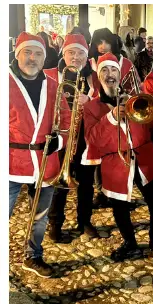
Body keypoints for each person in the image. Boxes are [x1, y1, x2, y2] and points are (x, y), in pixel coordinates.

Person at [86, 54, 153, 263]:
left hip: (146, 158)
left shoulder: (136, 97)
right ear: (98, 76)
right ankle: (129, 242)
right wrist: (111, 117)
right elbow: (93, 139)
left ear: (120, 74)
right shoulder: (92, 107)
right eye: (104, 70)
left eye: (113, 70)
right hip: (116, 163)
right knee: (120, 208)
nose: (109, 74)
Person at [7, 32, 68, 277]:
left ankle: (33, 256)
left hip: (45, 161)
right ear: (17, 54)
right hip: (12, 163)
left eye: (38, 54)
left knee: (40, 216)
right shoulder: (5, 81)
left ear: (44, 58)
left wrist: (59, 141)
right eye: (28, 52)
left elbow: (65, 119)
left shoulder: (53, 85)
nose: (33, 58)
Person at [47, 33, 102, 242]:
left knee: (87, 184)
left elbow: (105, 104)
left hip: (86, 141)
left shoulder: (94, 77)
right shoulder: (50, 75)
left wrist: (90, 100)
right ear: (64, 53)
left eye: (80, 53)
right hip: (60, 141)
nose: (75, 57)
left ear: (87, 56)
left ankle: (84, 220)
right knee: (59, 185)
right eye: (71, 52)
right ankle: (55, 223)